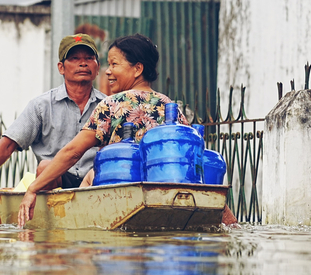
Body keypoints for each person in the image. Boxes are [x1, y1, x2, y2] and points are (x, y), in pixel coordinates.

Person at [17, 34, 189, 227]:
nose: (107, 72)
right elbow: (192, 156)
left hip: (117, 198)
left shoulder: (112, 105)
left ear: (137, 69)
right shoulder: (169, 106)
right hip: (162, 197)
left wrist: (32, 189)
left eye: (114, 64)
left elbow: (73, 152)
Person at [0, 33, 107, 209]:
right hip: (53, 182)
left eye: (89, 58)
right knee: (45, 166)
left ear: (97, 68)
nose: (83, 63)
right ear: (61, 67)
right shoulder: (41, 106)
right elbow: (8, 144)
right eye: (74, 59)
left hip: (95, 181)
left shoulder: (108, 106)